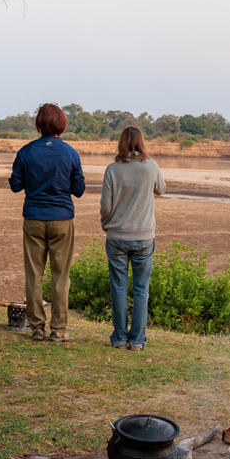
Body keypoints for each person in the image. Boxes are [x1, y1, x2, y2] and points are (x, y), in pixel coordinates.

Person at [9, 103, 86, 342]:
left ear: (38, 125)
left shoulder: (26, 152)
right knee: (60, 275)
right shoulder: (70, 153)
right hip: (62, 218)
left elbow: (15, 185)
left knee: (34, 274)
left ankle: (36, 327)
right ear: (61, 125)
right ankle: (59, 329)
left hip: (33, 217)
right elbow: (79, 189)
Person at [100, 126, 166, 350]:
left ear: (121, 143)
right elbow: (161, 189)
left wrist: (106, 225)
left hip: (117, 235)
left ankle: (119, 337)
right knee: (141, 288)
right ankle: (137, 340)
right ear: (141, 142)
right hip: (144, 236)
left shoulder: (112, 169)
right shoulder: (151, 166)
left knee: (118, 287)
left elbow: (106, 206)